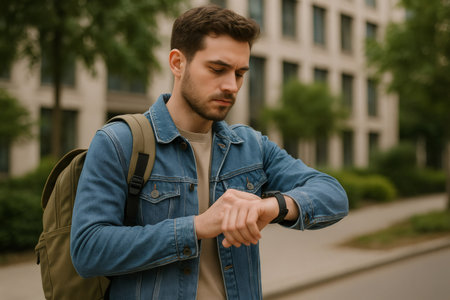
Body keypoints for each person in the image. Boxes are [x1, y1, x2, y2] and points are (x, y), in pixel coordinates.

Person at [71, 5, 348, 300]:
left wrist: (271, 207)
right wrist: (197, 226)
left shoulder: (250, 145)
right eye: (217, 69)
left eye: (240, 73)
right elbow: (88, 250)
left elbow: (333, 194)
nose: (231, 86)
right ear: (178, 63)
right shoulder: (118, 142)